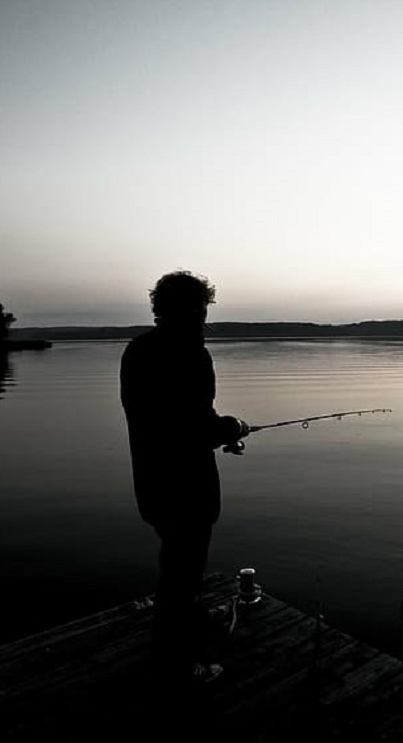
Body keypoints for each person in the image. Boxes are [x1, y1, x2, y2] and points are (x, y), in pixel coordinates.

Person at [120, 271, 249, 686]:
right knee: (181, 572)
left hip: (151, 482)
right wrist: (231, 428)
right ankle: (174, 669)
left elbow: (162, 421)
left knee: (176, 561)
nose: (203, 316)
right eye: (201, 308)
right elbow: (192, 424)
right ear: (193, 308)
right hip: (188, 488)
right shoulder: (192, 353)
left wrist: (217, 430)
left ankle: (190, 617)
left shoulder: (137, 350)